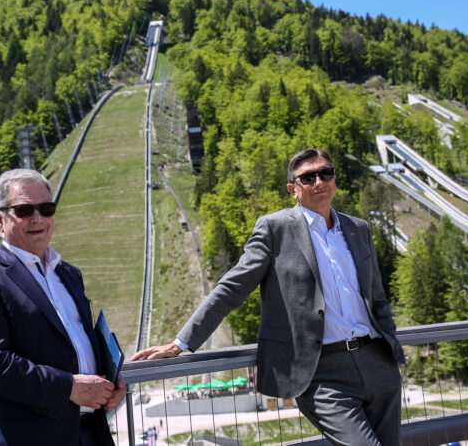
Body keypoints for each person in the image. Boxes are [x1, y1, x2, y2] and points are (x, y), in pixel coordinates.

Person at [131, 149, 405, 446]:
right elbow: (231, 288)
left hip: (377, 363)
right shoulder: (275, 229)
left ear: (335, 179)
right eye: (308, 177)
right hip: (322, 373)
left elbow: (377, 298)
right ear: (293, 189)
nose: (319, 181)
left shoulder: (357, 229)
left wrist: (389, 348)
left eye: (325, 173)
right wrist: (180, 343)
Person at [0, 168, 125, 446]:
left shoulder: (69, 274)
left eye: (45, 208)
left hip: (88, 433)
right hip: (26, 437)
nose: (37, 218)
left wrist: (109, 385)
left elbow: (76, 346)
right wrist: (69, 388)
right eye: (23, 210)